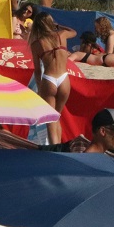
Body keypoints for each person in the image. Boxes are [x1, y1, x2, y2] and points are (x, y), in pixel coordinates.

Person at [29, 13, 76, 145]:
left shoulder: (37, 44)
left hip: (49, 79)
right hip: (64, 78)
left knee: (51, 120)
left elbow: (37, 70)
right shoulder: (62, 35)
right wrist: (58, 25)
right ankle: (58, 148)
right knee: (57, 117)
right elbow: (73, 32)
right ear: (51, 23)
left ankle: (54, 150)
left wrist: (39, 88)